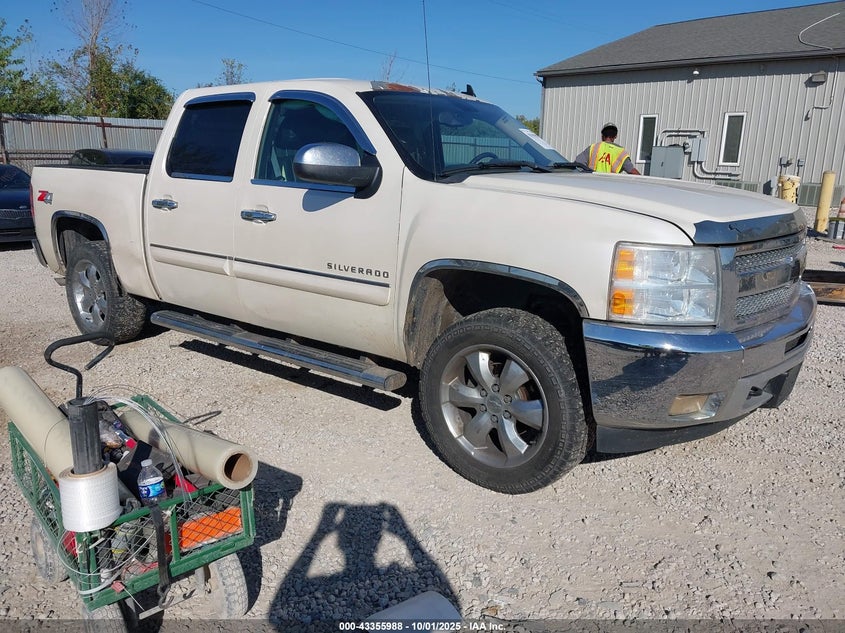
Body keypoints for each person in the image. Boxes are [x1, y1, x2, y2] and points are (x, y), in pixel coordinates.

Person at [575, 123, 641, 174]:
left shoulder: (593, 147)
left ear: (602, 136)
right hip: (610, 187)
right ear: (615, 136)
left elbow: (577, 164)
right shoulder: (621, 153)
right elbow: (632, 171)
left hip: (592, 184)